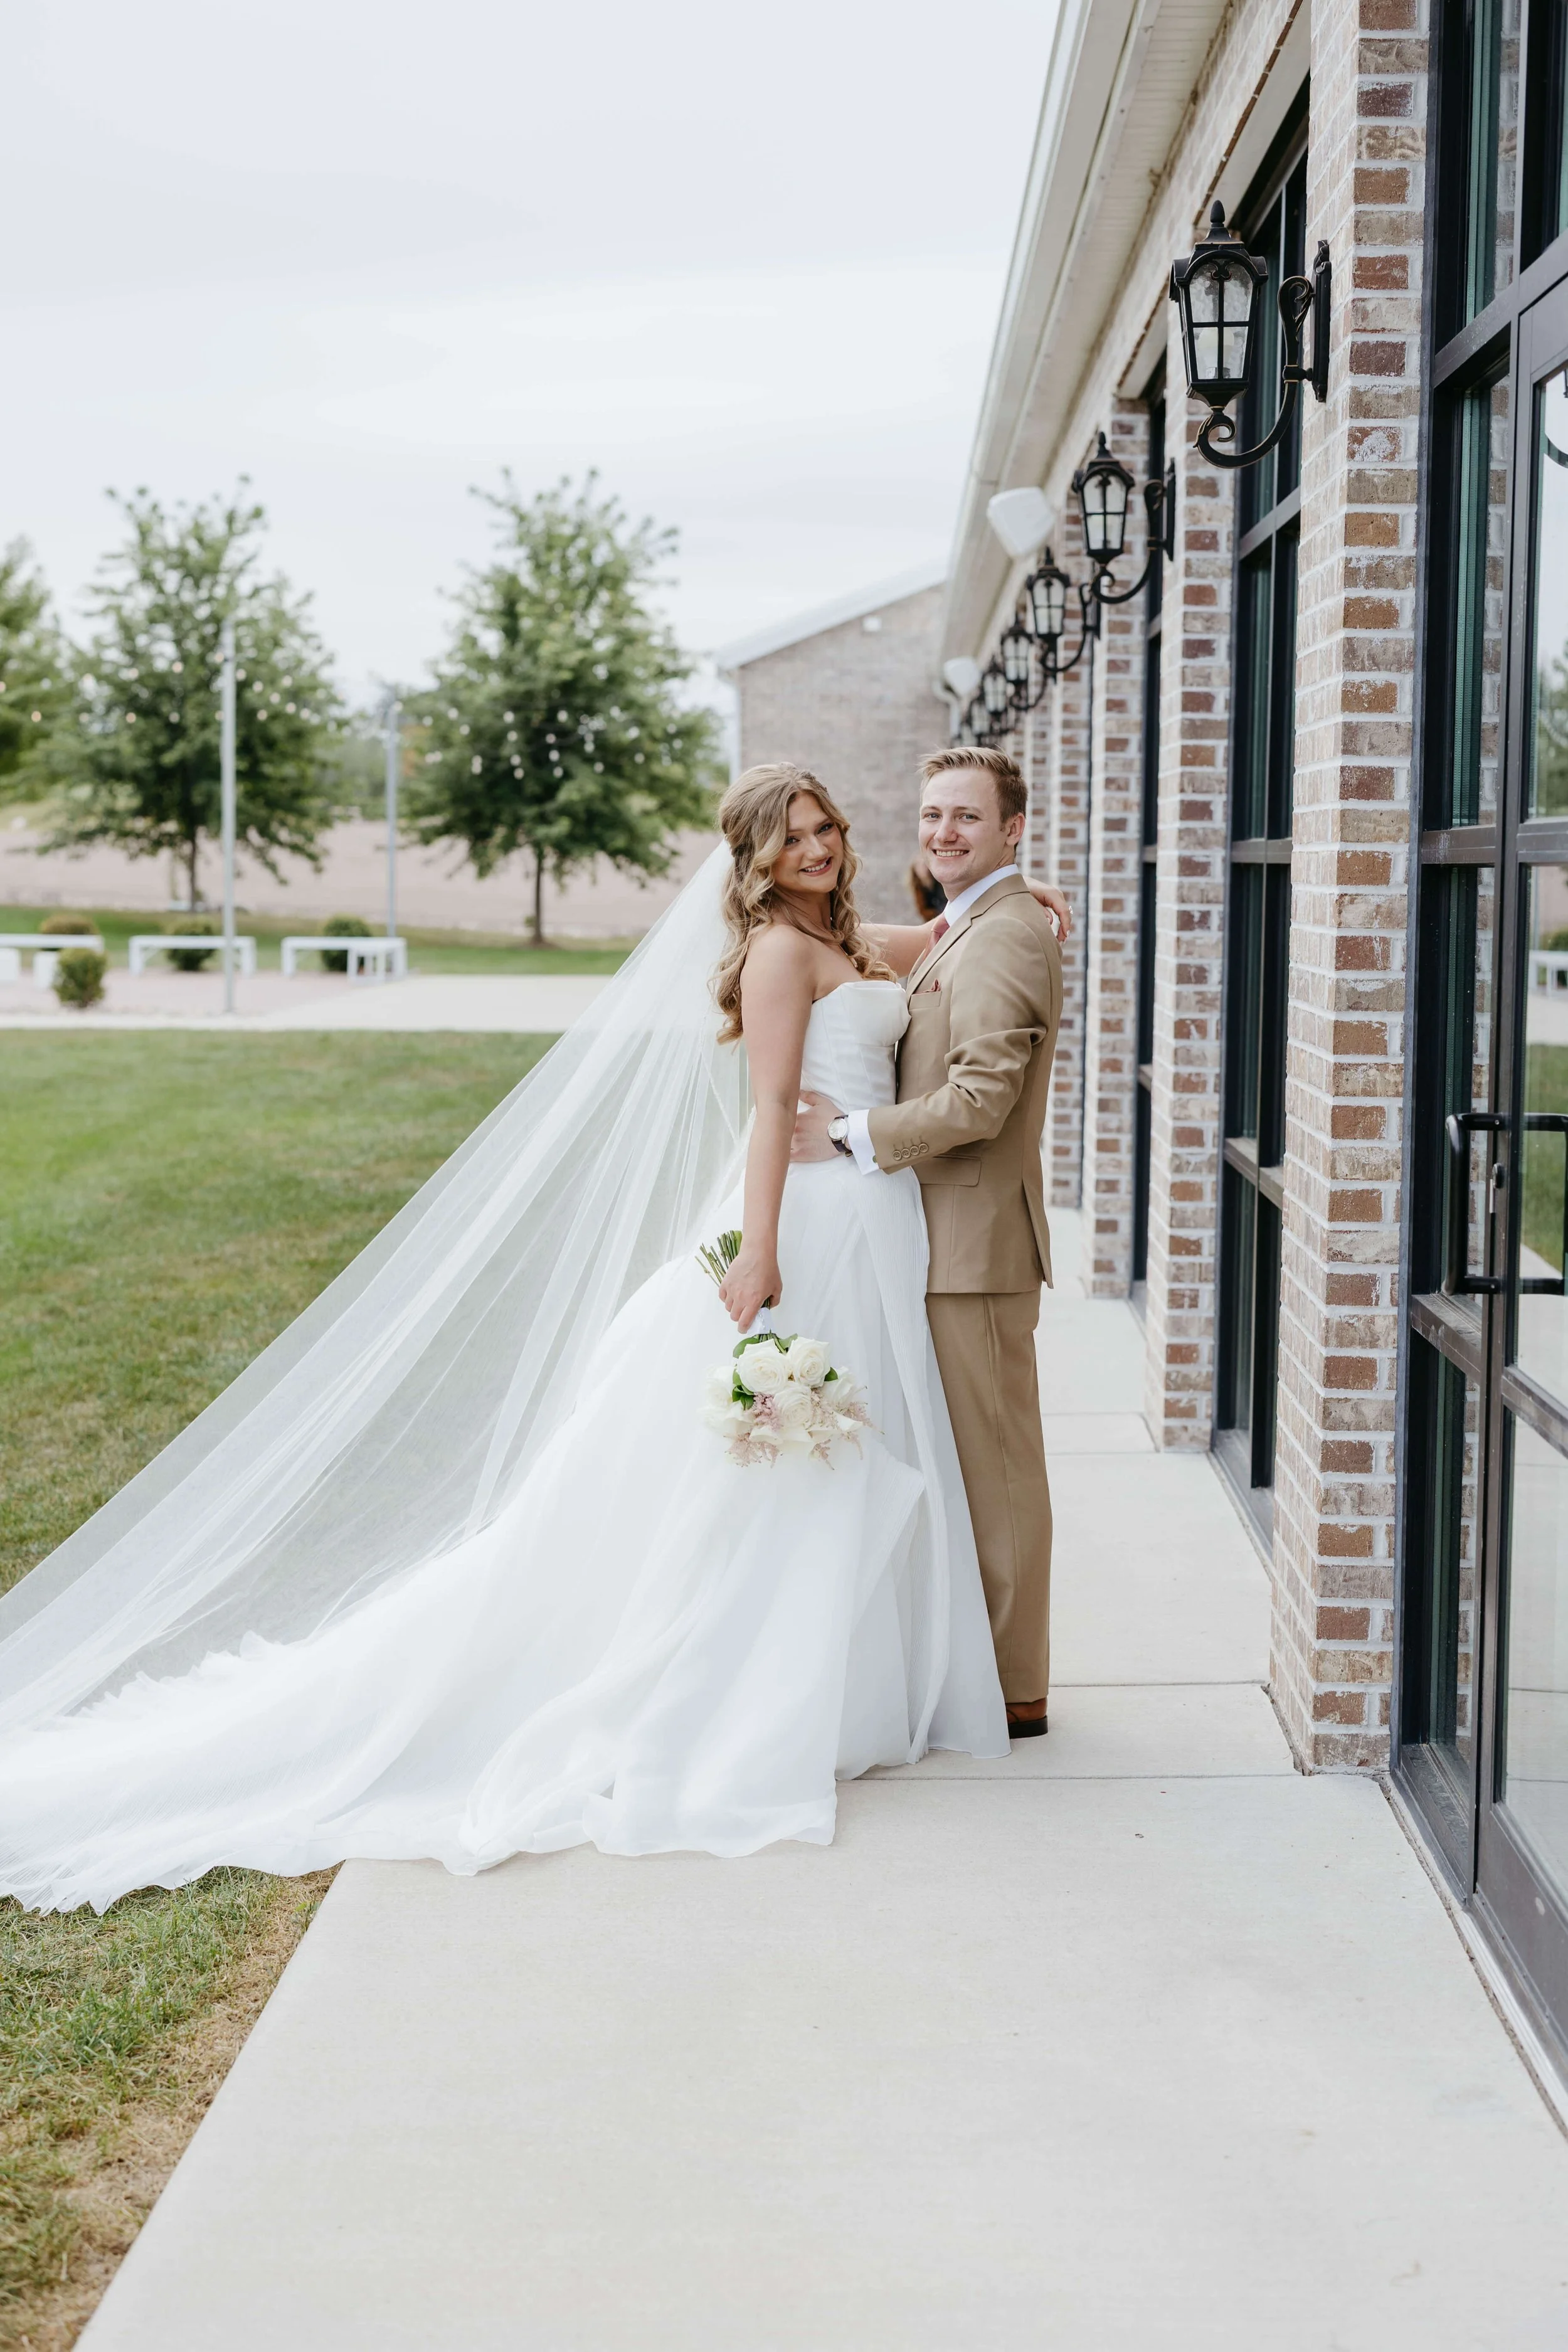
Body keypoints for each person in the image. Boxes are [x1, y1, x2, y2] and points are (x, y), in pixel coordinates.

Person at [0, 763, 1063, 1913]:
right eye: (792, 835)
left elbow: (936, 941)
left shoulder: (852, 937)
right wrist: (759, 1250)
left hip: (879, 1220)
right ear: (754, 857)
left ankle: (865, 1670)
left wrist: (1009, 891)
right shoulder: (778, 953)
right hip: (814, 1216)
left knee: (854, 1451)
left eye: (826, 827)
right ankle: (754, 1688)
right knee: (781, 1471)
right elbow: (770, 1113)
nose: (816, 846)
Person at [792, 746, 1061, 1739]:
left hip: (976, 1244)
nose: (944, 832)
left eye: (967, 818)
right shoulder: (974, 923)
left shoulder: (1006, 935)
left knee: (997, 1469)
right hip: (932, 1237)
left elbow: (984, 1098)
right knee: (966, 1467)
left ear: (1012, 827)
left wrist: (852, 1133)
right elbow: (853, 944)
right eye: (933, 815)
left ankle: (1016, 1687)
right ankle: (980, 1671)